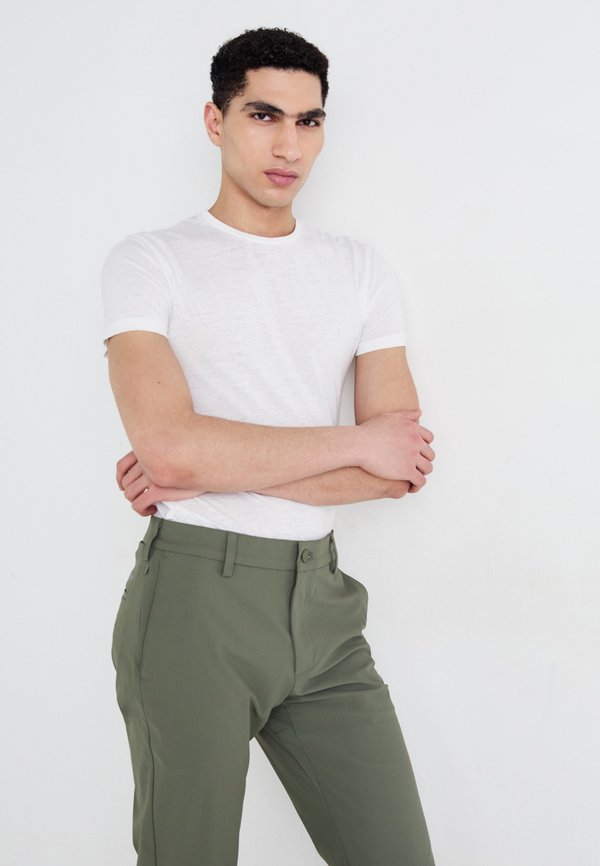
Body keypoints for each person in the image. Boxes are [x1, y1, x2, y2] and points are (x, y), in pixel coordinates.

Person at [102, 25, 437, 866]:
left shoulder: (359, 270)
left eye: (309, 121)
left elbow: (399, 467)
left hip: (325, 611)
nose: (289, 145)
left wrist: (208, 465)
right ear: (215, 120)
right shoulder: (151, 261)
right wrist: (352, 443)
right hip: (193, 607)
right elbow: (169, 450)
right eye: (263, 115)